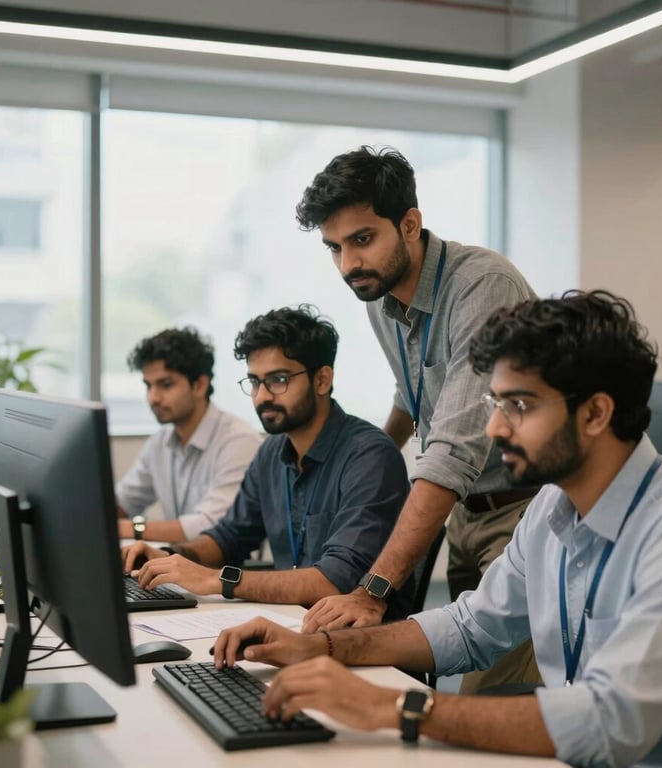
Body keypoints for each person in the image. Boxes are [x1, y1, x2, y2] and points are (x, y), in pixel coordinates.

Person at [213, 290, 662, 767]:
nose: (493, 427)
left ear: (596, 413)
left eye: (518, 405)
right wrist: (321, 647)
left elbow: (612, 723)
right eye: (496, 403)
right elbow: (471, 627)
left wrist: (389, 705)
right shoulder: (551, 509)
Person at [296, 145, 538, 690]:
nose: (348, 264)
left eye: (362, 240)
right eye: (334, 247)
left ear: (410, 224)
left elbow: (454, 447)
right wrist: (368, 460)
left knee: (488, 702)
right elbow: (416, 394)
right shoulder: (380, 297)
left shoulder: (482, 287)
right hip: (465, 516)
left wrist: (372, 589)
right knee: (440, 673)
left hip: (523, 513)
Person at [122, 306, 413, 615]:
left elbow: (335, 581)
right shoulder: (272, 452)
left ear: (322, 380)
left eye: (279, 380)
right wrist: (170, 556)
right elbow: (228, 538)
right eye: (255, 382)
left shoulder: (369, 457)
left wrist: (216, 579)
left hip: (359, 644)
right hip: (290, 623)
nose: (262, 397)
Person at [115, 327, 261, 543]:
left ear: (200, 385)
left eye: (165, 384)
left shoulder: (238, 441)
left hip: (221, 572)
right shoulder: (159, 443)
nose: (153, 397)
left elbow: (210, 525)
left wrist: (128, 528)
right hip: (174, 567)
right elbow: (123, 502)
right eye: (148, 386)